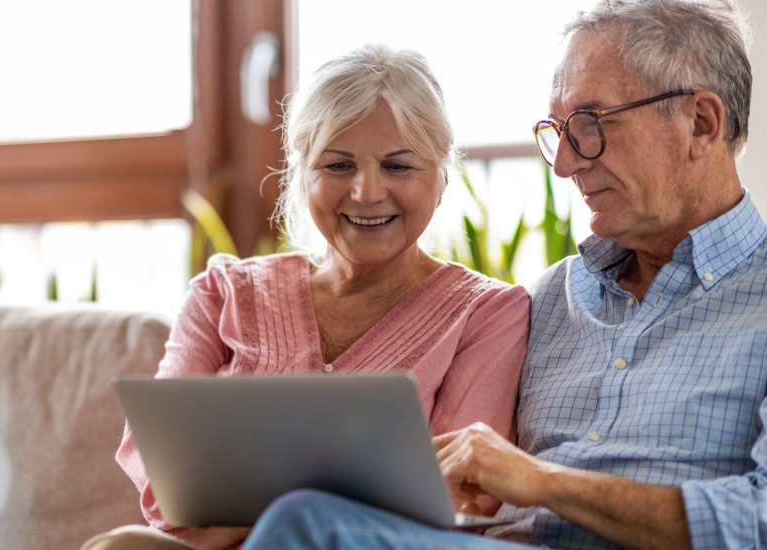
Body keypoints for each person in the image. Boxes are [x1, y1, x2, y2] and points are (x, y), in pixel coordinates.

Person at [240, 0, 763, 549]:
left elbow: (759, 519)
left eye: (589, 124)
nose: (563, 163)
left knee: (308, 525)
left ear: (701, 123)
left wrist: (542, 482)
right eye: (557, 130)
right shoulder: (549, 300)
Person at [105, 44, 531, 550]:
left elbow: (462, 495)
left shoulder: (487, 313)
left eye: (399, 167)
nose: (367, 192)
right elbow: (162, 468)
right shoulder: (223, 293)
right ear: (301, 173)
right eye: (337, 166)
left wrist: (251, 520)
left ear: (441, 177)